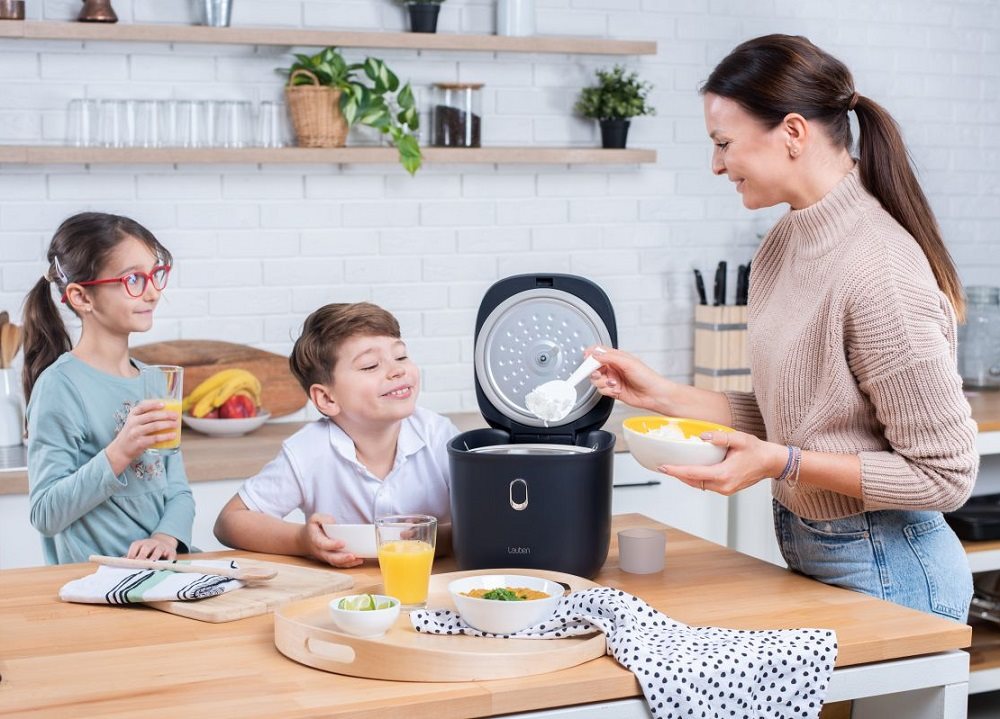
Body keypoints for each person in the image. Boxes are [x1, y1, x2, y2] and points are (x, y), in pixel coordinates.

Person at [592, 34, 978, 621]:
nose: (716, 165)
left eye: (723, 143)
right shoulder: (784, 242)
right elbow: (801, 418)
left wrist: (782, 464)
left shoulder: (880, 270)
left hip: (892, 567)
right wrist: (662, 395)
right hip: (820, 552)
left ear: (793, 132)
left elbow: (945, 476)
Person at [214, 302, 459, 568]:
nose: (398, 370)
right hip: (346, 589)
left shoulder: (439, 437)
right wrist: (302, 540)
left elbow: (487, 516)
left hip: (433, 586)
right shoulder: (308, 450)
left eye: (400, 356)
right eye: (370, 365)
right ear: (327, 398)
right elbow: (229, 521)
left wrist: (441, 538)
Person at [24, 212, 193, 565]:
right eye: (133, 279)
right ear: (82, 297)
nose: (153, 293)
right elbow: (45, 514)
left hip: (161, 572)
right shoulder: (60, 386)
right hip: (97, 582)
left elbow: (178, 491)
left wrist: (165, 537)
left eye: (155, 275)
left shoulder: (154, 381)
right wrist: (120, 451)